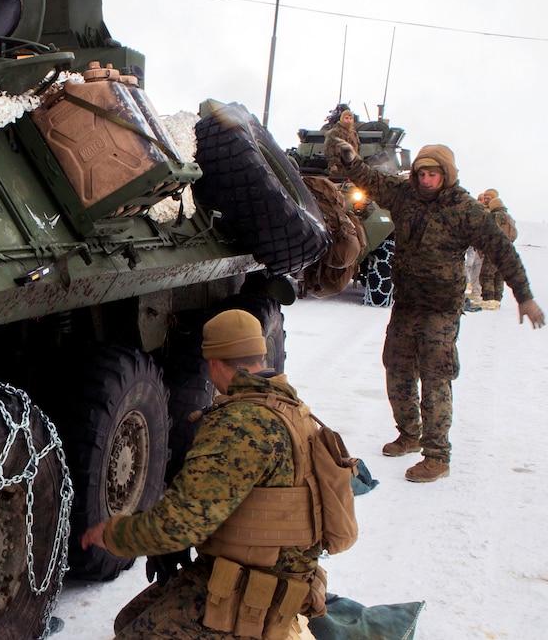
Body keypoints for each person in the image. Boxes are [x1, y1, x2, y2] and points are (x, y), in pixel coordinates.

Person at [80, 309, 330, 639]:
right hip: (261, 572)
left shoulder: (241, 426)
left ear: (213, 362)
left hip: (254, 593)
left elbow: (178, 524)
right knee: (130, 619)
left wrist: (111, 535)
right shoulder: (291, 409)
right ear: (260, 355)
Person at [331, 139, 545, 482]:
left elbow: (502, 249)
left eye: (433, 174)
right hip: (407, 304)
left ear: (446, 175)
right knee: (397, 369)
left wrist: (525, 295)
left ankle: (437, 455)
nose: (426, 180)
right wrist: (350, 158)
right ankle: (409, 434)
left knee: (435, 378)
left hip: (441, 309)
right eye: (421, 173)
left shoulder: (464, 209)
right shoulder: (404, 195)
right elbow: (370, 179)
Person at [478, 196, 518, 309]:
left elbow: (487, 232)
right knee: (499, 276)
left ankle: (489, 300)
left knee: (486, 275)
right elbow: (515, 234)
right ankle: (497, 300)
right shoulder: (510, 218)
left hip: (494, 250)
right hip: (506, 252)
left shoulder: (495, 216)